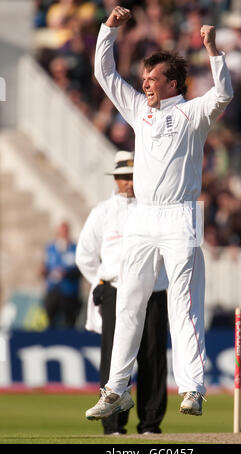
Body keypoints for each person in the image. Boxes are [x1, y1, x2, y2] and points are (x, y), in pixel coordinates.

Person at [89, 5, 233, 418]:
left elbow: (223, 93)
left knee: (182, 305)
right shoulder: (140, 110)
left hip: (179, 216)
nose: (145, 84)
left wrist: (213, 51)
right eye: (145, 78)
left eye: (153, 79)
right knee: (128, 302)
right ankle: (116, 389)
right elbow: (105, 76)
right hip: (143, 216)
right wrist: (107, 30)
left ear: (173, 84)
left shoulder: (193, 113)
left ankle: (193, 389)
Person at [75, 150, 168, 435]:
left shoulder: (153, 210)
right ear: (115, 179)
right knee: (115, 357)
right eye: (124, 177)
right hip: (116, 289)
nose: (128, 182)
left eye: (132, 177)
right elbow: (85, 256)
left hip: (152, 290)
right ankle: (113, 424)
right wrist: (99, 282)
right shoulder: (102, 212)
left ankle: (150, 424)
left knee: (152, 356)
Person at [42, 221, 82, 328]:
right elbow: (46, 266)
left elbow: (80, 269)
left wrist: (67, 273)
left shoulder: (75, 248)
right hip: (53, 290)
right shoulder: (51, 248)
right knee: (50, 320)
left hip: (70, 292)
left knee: (69, 322)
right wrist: (44, 271)